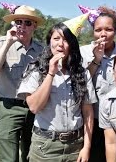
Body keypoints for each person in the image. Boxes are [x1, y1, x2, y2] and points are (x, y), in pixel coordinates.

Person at [16, 20, 95, 162]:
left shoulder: (81, 73)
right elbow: (34, 107)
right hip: (45, 147)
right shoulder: (35, 70)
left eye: (65, 40)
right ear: (49, 42)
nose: (60, 44)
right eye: (56, 39)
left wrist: (87, 147)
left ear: (71, 44)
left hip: (75, 145)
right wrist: (51, 73)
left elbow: (88, 112)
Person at [0, 5, 44, 162]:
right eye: (18, 21)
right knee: (9, 158)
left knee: (31, 155)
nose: (22, 26)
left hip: (34, 109)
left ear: (35, 26)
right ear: (13, 24)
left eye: (28, 23)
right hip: (9, 108)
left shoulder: (42, 50)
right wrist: (8, 44)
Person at [79, 6, 116, 162]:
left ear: (115, 31)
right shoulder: (83, 52)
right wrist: (96, 60)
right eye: (98, 30)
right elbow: (80, 83)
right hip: (93, 120)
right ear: (93, 31)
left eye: (108, 29)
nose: (103, 34)